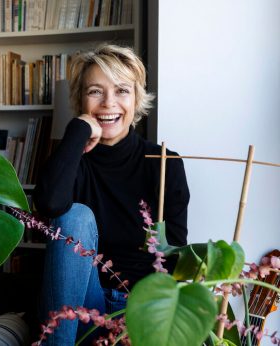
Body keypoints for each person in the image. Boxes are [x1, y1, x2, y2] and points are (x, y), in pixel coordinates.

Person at [33, 44, 190, 345]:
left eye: (121, 90)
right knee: (74, 215)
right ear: (81, 99)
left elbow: (175, 254)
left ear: (136, 99)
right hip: (80, 301)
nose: (108, 103)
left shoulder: (165, 163)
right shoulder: (72, 159)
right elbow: (50, 204)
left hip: (139, 307)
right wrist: (78, 129)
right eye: (95, 91)